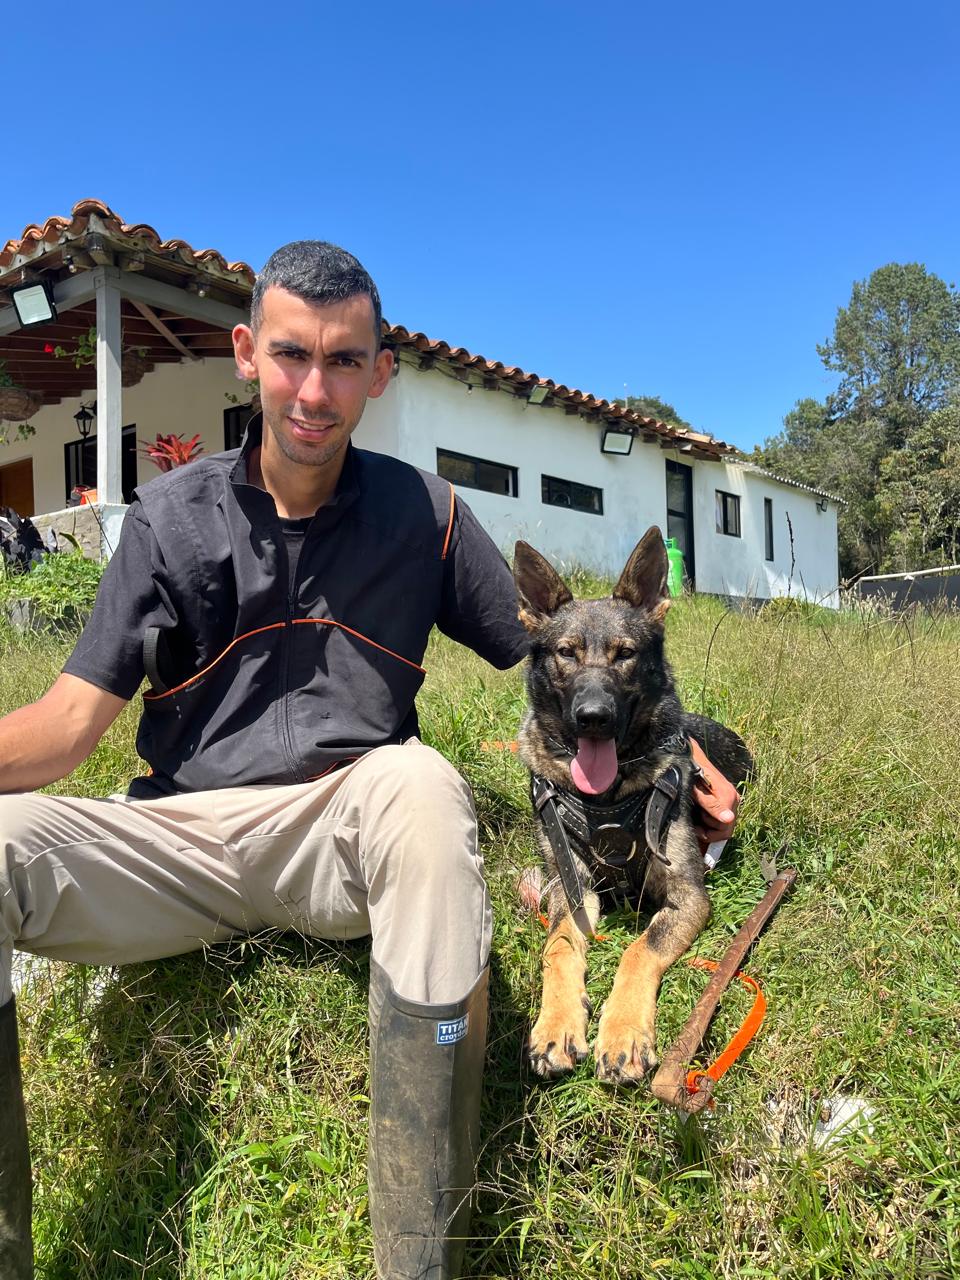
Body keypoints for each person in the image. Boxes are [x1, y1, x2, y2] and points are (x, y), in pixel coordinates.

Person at [0, 240, 741, 1280]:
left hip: (346, 834)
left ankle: (420, 1258)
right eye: (294, 354)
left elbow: (577, 654)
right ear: (247, 353)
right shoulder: (168, 519)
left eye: (345, 360)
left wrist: (686, 756)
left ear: (380, 371)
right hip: (176, 836)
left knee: (423, 781)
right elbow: (67, 725)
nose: (315, 387)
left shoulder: (425, 514)